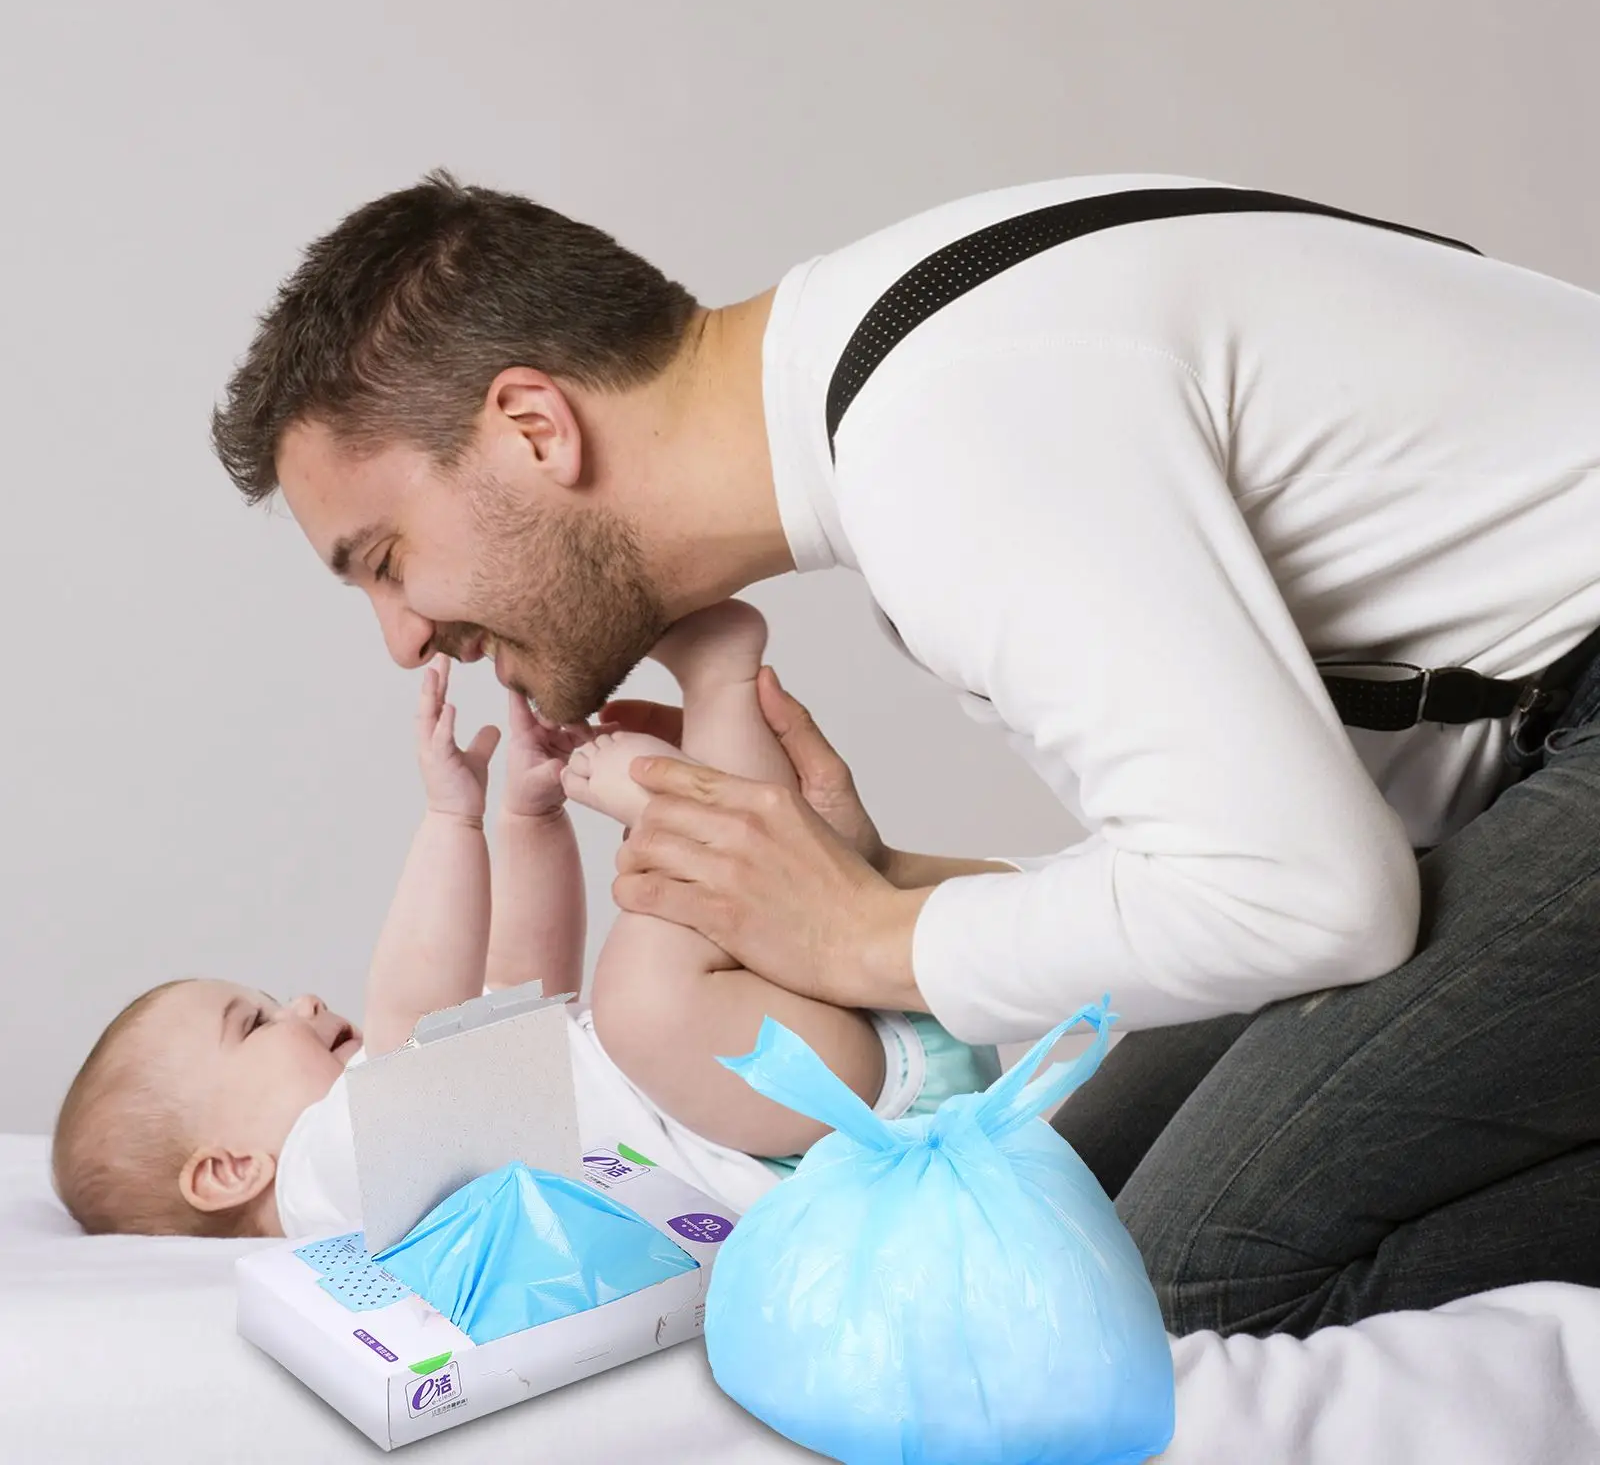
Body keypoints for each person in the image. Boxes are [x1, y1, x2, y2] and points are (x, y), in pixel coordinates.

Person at [211, 169, 1600, 1334]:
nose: (402, 640)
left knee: (1179, 1290)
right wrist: (872, 889)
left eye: (386, 562)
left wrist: (872, 937)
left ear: (532, 426)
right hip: (1543, 753)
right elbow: (1288, 857)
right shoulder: (907, 397)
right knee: (1072, 1216)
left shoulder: (952, 436)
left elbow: (1317, 899)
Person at [52, 602, 997, 1236]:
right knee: (643, 999)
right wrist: (449, 819)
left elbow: (528, 996)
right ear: (227, 1171)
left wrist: (527, 819)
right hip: (806, 1122)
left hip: (804, 1085)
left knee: (649, 990)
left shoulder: (417, 1138)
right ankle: (712, 708)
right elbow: (415, 1010)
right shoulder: (323, 1183)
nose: (297, 1000)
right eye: (253, 1022)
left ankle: (735, 746)